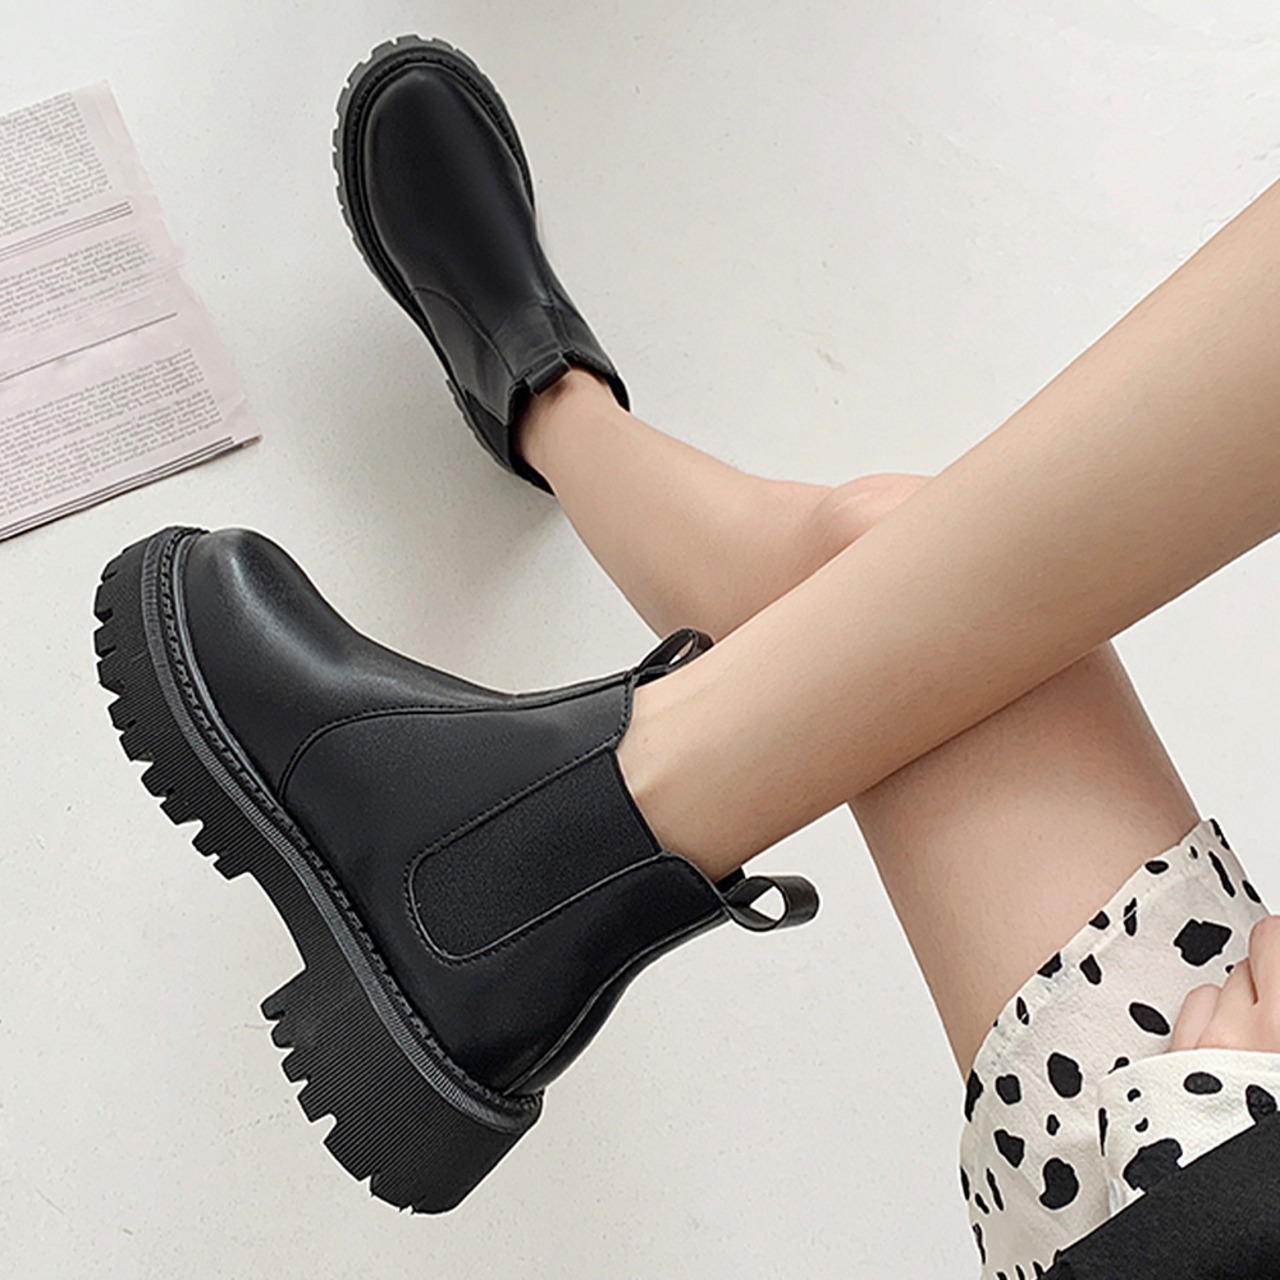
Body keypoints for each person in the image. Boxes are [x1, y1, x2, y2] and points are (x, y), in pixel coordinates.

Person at [94, 35, 1280, 1278]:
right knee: (886, 563)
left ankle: (544, 465)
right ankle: (548, 418)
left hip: (1184, 1190)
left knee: (919, 626)